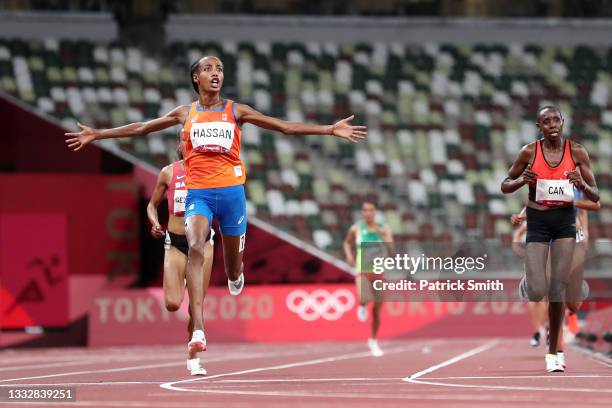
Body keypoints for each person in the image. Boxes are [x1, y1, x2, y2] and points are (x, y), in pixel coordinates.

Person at [65, 55, 366, 357]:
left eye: (219, 69)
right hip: (200, 195)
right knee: (196, 246)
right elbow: (142, 127)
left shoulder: (236, 110)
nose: (215, 73)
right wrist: (99, 134)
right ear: (196, 78)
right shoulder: (186, 113)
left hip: (232, 194)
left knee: (232, 266)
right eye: (208, 69)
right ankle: (198, 329)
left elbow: (283, 127)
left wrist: (329, 129)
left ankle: (236, 273)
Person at [501, 105, 599, 373]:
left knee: (557, 289)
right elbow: (504, 185)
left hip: (565, 223)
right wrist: (522, 180)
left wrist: (581, 185)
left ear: (563, 122)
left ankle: (554, 351)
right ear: (539, 127)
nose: (553, 124)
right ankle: (532, 280)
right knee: (537, 291)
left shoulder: (577, 151)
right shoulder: (529, 152)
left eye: (556, 119)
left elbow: (595, 196)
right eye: (546, 121)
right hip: (539, 223)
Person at [147, 132, 214, 375]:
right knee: (173, 303)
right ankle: (194, 344)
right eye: (185, 142)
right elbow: (151, 204)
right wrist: (154, 222)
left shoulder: (210, 172)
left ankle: (193, 358)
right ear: (179, 146)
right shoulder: (168, 172)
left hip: (202, 243)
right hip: (174, 243)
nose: (189, 146)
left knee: (196, 306)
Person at [343, 201, 393, 357]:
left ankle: (373, 340)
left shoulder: (384, 228)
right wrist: (350, 255)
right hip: (362, 270)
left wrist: (384, 237)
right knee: (363, 294)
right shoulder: (356, 228)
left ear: (375, 212)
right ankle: (362, 305)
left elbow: (392, 252)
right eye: (365, 210)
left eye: (371, 210)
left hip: (378, 271)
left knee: (377, 309)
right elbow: (347, 242)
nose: (368, 213)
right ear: (362, 213)